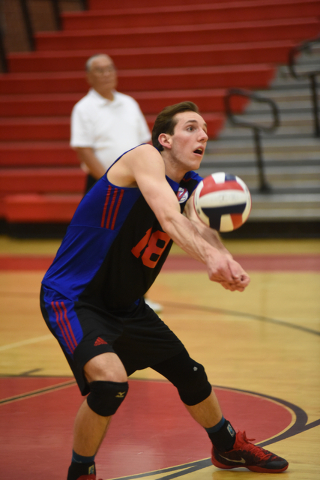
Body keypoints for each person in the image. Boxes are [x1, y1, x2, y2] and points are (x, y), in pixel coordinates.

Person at [40, 102, 289, 480]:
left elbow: (200, 226)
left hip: (127, 306)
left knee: (190, 374)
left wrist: (226, 260)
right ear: (165, 139)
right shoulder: (143, 157)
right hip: (74, 298)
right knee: (110, 384)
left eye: (205, 129)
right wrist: (210, 259)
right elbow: (168, 216)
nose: (203, 134)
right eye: (191, 127)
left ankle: (226, 446)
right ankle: (81, 472)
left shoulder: (190, 187)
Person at [70, 52, 161, 313]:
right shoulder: (83, 108)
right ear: (88, 76)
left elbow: (144, 143)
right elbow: (84, 149)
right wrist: (108, 184)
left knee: (138, 240)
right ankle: (93, 297)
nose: (107, 73)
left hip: (137, 185)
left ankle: (138, 297)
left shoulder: (129, 103)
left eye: (110, 68)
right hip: (104, 188)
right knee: (100, 242)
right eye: (99, 70)